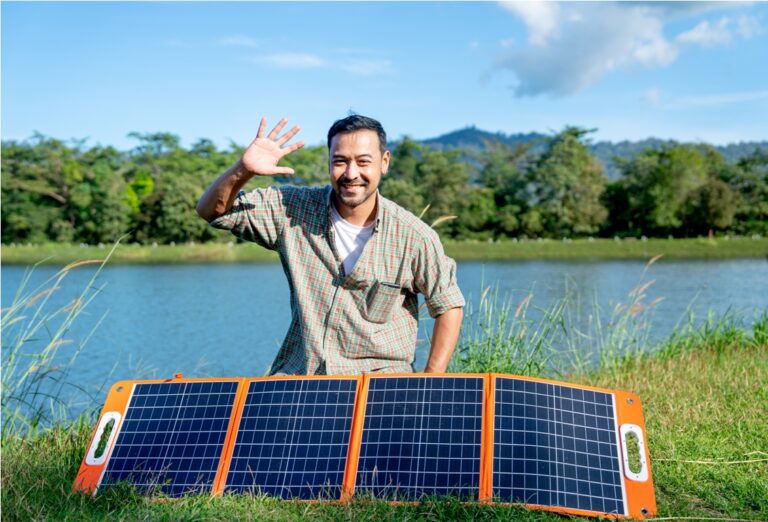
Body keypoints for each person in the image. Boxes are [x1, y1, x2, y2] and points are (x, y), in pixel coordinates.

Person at [196, 115, 464, 375]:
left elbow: (448, 305)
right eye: (340, 161)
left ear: (384, 162)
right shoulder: (291, 209)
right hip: (303, 377)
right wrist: (243, 171)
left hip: (379, 386)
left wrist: (431, 379)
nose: (351, 173)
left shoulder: (414, 236)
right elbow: (213, 212)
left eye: (363, 162)